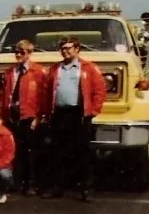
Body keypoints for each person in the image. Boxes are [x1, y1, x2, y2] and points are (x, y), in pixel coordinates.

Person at [42, 36, 107, 202]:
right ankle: (57, 187)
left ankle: (87, 189)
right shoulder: (55, 69)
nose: (65, 51)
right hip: (59, 114)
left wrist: (92, 111)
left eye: (69, 48)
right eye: (63, 48)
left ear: (77, 49)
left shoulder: (88, 68)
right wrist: (46, 113)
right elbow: (47, 91)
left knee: (82, 153)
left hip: (79, 114)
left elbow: (100, 91)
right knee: (56, 152)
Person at [0, 39, 47, 196]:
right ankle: (17, 182)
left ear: (30, 53)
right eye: (17, 52)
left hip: (29, 116)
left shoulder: (38, 72)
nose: (18, 55)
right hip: (12, 116)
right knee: (15, 151)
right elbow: (5, 95)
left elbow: (43, 96)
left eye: (22, 52)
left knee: (30, 152)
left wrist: (38, 116)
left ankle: (31, 183)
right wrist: (3, 115)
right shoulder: (10, 72)